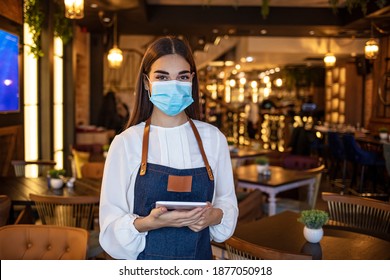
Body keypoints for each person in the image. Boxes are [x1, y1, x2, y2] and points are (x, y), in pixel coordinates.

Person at [99, 36, 238, 260]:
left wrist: (214, 216)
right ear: (147, 82)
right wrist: (146, 223)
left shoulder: (214, 139)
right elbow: (109, 227)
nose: (173, 85)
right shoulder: (125, 143)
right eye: (162, 77)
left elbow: (227, 203)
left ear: (192, 80)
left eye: (182, 77)